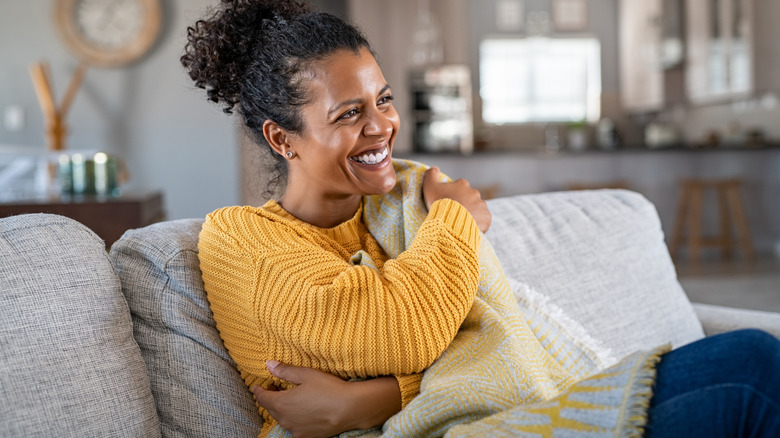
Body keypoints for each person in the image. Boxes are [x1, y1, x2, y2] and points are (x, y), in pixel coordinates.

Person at [182, 1, 780, 437]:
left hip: (507, 413)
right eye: (348, 113)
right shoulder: (238, 237)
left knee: (754, 359)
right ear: (282, 139)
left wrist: (370, 400)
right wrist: (454, 220)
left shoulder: (398, 206)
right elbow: (399, 329)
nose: (382, 127)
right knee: (752, 369)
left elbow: (480, 337)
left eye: (384, 100)